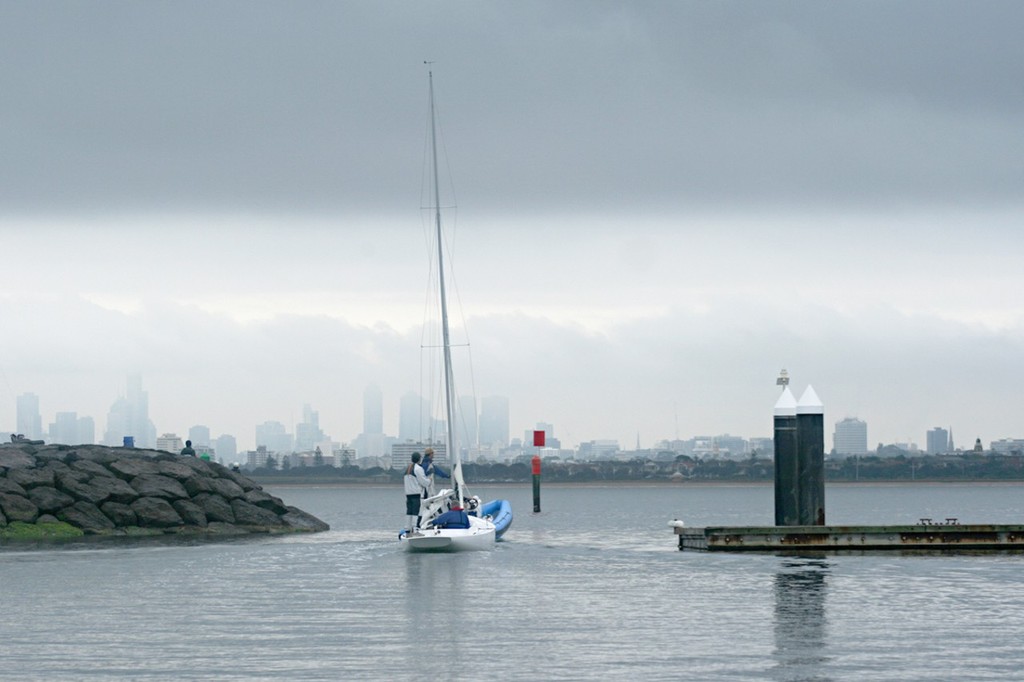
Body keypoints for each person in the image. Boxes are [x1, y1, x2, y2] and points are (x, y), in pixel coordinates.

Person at [403, 452, 430, 533]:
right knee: (416, 511)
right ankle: (415, 529)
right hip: (416, 493)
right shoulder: (418, 468)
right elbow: (424, 482)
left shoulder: (408, 468)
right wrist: (429, 480)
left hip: (408, 493)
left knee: (409, 511)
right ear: (419, 459)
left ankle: (407, 528)